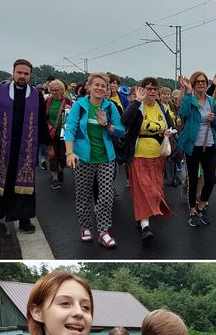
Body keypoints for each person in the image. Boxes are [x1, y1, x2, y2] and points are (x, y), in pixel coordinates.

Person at [0, 59, 51, 234]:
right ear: (13, 72)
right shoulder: (1, 91)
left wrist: (48, 145)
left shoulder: (36, 95)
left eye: (26, 74)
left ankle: (24, 219)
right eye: (19, 72)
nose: (22, 76)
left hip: (26, 148)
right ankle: (0, 205)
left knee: (24, 181)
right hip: (2, 146)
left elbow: (42, 122)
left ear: (30, 75)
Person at [64, 73, 125, 249]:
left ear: (107, 90)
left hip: (106, 158)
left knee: (105, 196)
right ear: (89, 87)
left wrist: (107, 124)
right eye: (96, 85)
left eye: (103, 86)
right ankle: (85, 227)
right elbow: (70, 129)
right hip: (83, 157)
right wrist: (69, 153)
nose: (100, 88)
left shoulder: (110, 106)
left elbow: (121, 131)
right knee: (83, 195)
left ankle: (104, 231)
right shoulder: (80, 106)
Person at [120, 77, 175, 242]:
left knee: (156, 189)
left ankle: (142, 218)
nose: (152, 92)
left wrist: (168, 133)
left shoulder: (162, 108)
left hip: (158, 155)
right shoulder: (136, 106)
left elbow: (171, 126)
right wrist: (137, 101)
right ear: (142, 89)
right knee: (143, 189)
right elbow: (124, 122)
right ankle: (145, 225)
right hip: (138, 155)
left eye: (154, 89)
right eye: (148, 89)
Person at [177, 72, 216, 228]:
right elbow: (183, 113)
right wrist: (187, 93)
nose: (201, 84)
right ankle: (192, 210)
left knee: (210, 178)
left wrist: (214, 119)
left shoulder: (212, 101)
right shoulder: (190, 100)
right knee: (192, 178)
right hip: (192, 145)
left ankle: (202, 205)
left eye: (203, 81)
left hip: (209, 144)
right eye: (197, 81)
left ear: (206, 84)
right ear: (193, 83)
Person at [45, 80, 72, 190]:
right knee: (53, 155)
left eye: (56, 90)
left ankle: (61, 168)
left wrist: (70, 110)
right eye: (52, 90)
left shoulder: (69, 102)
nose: (54, 92)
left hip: (64, 132)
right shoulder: (47, 101)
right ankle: (55, 178)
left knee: (62, 155)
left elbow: (74, 117)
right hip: (50, 132)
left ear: (62, 90)